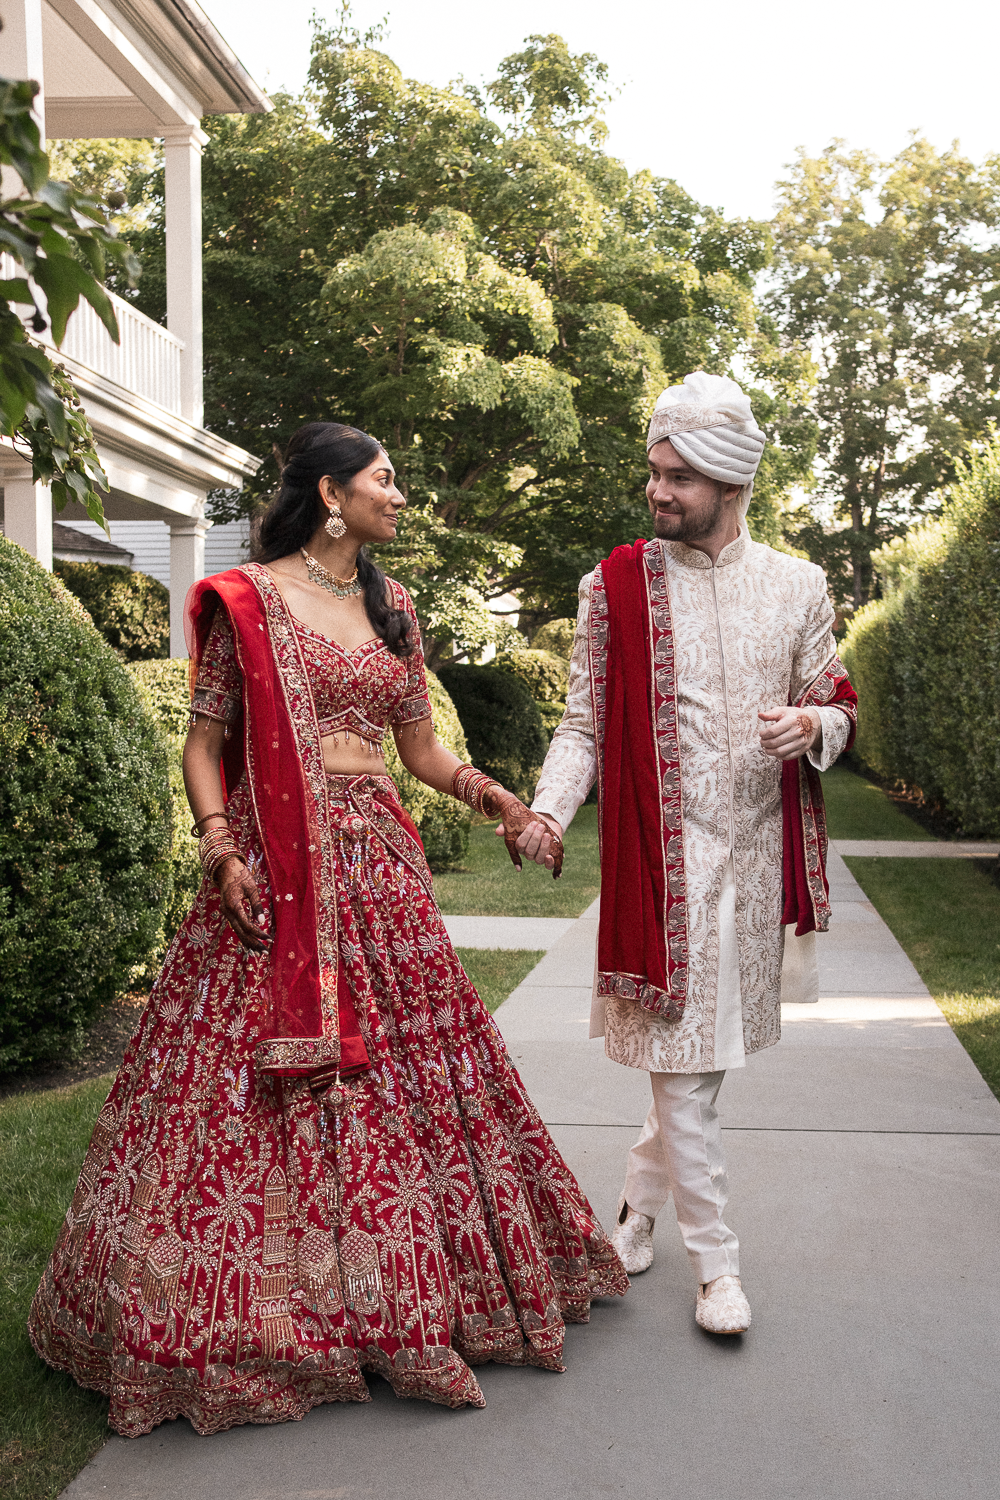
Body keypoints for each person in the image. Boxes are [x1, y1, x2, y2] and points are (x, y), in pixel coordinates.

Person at [29, 422, 627, 1437]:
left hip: (381, 877)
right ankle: (265, 1316)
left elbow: (424, 752)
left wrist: (507, 807)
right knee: (243, 1094)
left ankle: (408, 1292)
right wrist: (220, 850)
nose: (401, 497)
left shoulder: (394, 612)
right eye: (386, 481)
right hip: (277, 871)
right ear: (330, 492)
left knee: (412, 1081)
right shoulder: (249, 602)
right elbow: (205, 741)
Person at [516, 372, 857, 1336]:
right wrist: (548, 811)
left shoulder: (797, 586)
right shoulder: (613, 587)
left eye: (679, 478)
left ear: (731, 486)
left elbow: (837, 697)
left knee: (696, 1067)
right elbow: (584, 724)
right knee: (687, 1066)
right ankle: (718, 1271)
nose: (659, 492)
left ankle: (632, 1214)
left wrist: (812, 723)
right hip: (659, 865)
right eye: (654, 472)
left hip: (752, 864)